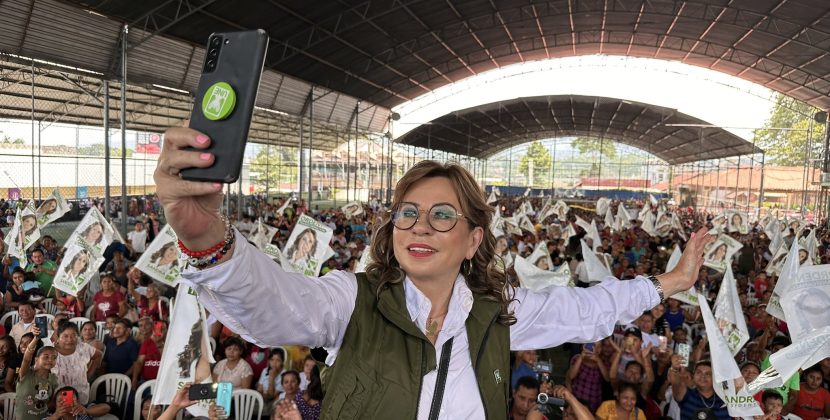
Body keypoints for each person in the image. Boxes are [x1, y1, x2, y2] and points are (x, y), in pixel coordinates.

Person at [155, 133, 712, 418]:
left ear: (473, 240)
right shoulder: (354, 300)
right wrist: (207, 239)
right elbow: (277, 305)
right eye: (408, 212)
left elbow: (583, 310)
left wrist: (669, 283)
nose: (420, 225)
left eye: (442, 214)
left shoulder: (499, 313)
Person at [52, 322, 102, 405]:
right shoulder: (50, 351)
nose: (70, 339)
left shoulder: (83, 348)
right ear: (58, 337)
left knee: (78, 415)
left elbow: (98, 355)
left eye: (73, 335)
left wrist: (89, 373)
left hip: (80, 395)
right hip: (58, 398)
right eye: (65, 336)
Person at [16, 327, 59, 420]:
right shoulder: (26, 373)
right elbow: (26, 359)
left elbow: (51, 402)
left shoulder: (53, 378)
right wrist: (36, 338)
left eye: (54, 357)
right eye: (46, 357)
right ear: (36, 359)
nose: (50, 360)